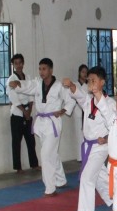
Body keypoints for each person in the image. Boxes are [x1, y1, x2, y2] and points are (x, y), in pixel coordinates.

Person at [9, 58, 76, 196]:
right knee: (52, 153)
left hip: (53, 122)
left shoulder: (59, 86)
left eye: (44, 69)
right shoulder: (37, 84)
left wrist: (63, 111)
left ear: (51, 70)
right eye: (40, 69)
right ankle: (61, 180)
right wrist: (17, 84)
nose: (41, 72)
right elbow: (27, 85)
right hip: (41, 122)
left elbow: (70, 100)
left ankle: (50, 188)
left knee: (45, 154)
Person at [62, 66, 115, 211]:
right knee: (99, 177)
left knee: (86, 178)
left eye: (94, 80)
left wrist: (106, 138)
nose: (91, 83)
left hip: (101, 146)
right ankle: (116, 204)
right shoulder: (88, 100)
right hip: (89, 145)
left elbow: (114, 125)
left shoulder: (110, 103)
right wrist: (71, 85)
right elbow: (78, 94)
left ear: (102, 82)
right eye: (89, 80)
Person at [7, 54, 38, 173]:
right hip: (17, 113)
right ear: (13, 65)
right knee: (16, 141)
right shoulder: (11, 79)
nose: (18, 65)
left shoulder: (28, 77)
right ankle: (18, 167)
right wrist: (23, 110)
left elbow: (31, 94)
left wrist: (29, 109)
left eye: (20, 63)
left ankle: (34, 164)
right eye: (16, 63)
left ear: (23, 63)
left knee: (31, 140)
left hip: (28, 112)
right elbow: (13, 97)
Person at [73, 64, 89, 161]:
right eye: (83, 72)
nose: (84, 74)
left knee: (87, 134)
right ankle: (80, 157)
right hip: (78, 112)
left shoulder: (88, 86)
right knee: (79, 134)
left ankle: (87, 155)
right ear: (79, 73)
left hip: (86, 112)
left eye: (86, 72)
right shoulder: (75, 85)